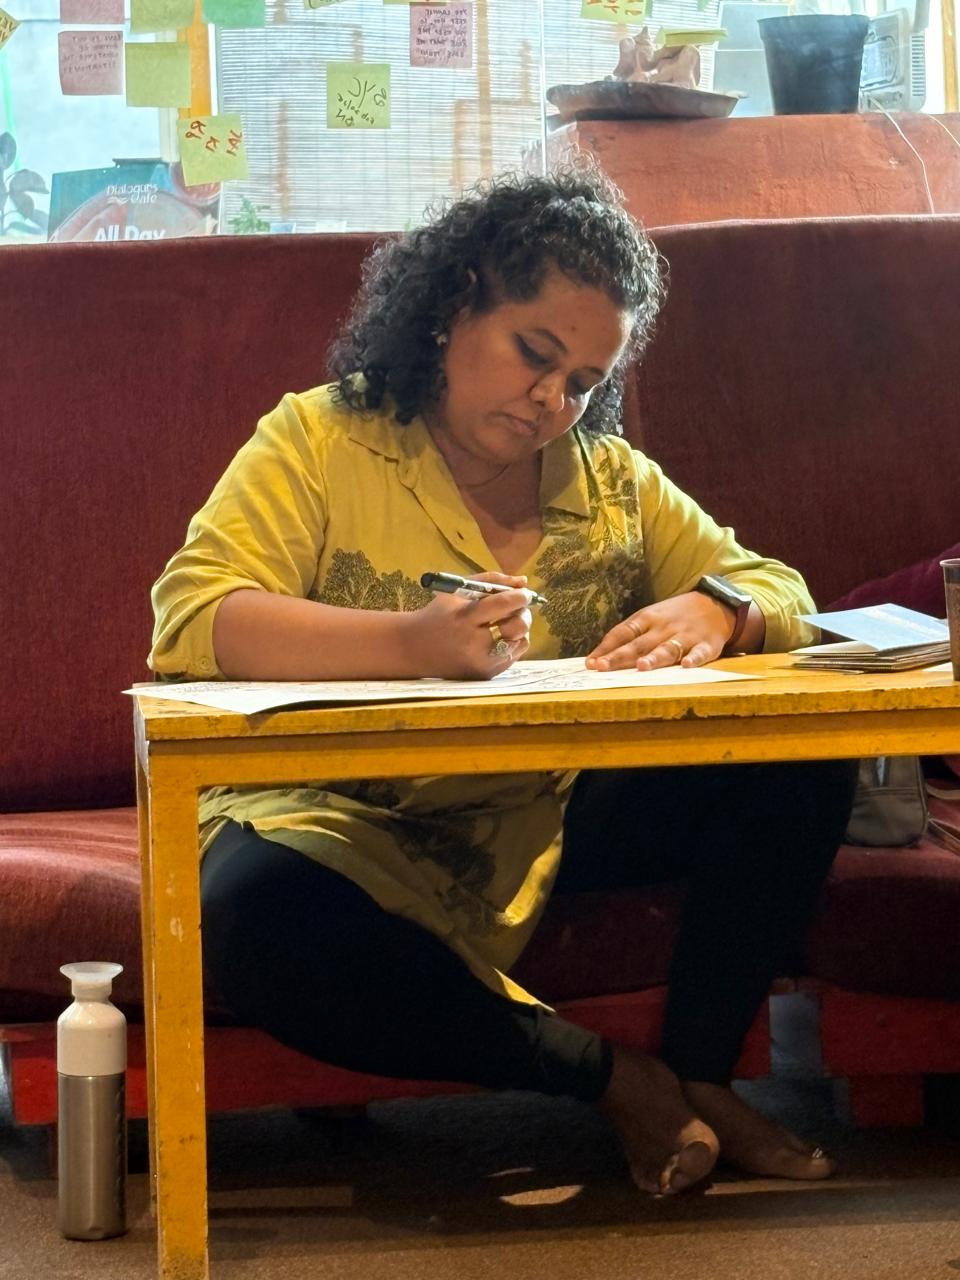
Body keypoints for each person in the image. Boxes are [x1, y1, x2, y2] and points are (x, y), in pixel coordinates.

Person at [150, 162, 858, 1198]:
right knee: (250, 916)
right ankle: (611, 1079)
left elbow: (778, 585)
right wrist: (409, 643)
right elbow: (195, 613)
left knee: (805, 753)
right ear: (455, 302)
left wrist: (721, 609)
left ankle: (704, 1075)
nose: (551, 402)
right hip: (333, 815)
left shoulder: (609, 481)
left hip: (542, 815)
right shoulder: (322, 439)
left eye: (583, 382)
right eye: (535, 354)